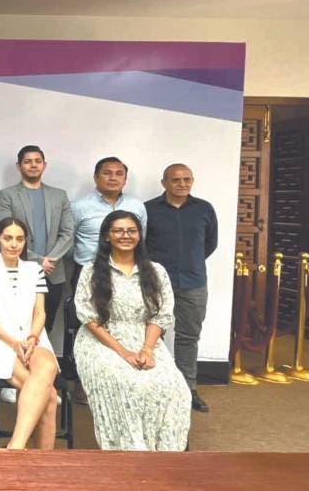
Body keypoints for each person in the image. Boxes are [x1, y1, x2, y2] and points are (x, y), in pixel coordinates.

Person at [73, 211, 191, 451]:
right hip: (101, 340)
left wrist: (147, 349)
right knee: (130, 384)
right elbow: (89, 318)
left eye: (131, 231)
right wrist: (124, 352)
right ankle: (131, 453)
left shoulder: (156, 271)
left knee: (175, 387)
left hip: (145, 338)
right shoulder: (91, 271)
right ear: (107, 236)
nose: (125, 235)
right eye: (118, 231)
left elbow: (161, 315)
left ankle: (165, 453)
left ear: (139, 235)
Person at [0, 217, 59, 450]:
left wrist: (32, 338)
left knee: (48, 366)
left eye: (19, 239)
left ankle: (16, 448)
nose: (14, 244)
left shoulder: (34, 270)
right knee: (49, 397)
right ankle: (28, 454)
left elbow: (40, 312)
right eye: (8, 238)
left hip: (32, 337)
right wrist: (12, 342)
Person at [68, 156, 147, 404]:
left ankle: (122, 374)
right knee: (87, 325)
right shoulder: (79, 207)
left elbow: (140, 240)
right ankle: (83, 381)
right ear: (96, 177)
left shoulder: (137, 206)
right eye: (107, 173)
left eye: (119, 173)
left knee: (124, 322)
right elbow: (68, 240)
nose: (113, 177)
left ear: (125, 178)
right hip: (89, 274)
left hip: (126, 273)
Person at [145, 164, 218, 413]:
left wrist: (190, 261)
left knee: (188, 337)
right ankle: (154, 386)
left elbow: (210, 243)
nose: (182, 184)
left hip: (193, 282)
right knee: (152, 336)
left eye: (187, 179)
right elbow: (140, 245)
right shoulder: (148, 210)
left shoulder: (204, 209)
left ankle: (188, 389)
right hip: (156, 283)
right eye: (176, 180)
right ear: (164, 182)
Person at [0, 146, 75, 333]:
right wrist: (38, 261)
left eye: (38, 161)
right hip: (17, 270)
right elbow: (4, 233)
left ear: (44, 165)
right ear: (19, 166)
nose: (33, 165)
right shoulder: (7, 195)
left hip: (52, 273)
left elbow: (68, 232)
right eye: (28, 162)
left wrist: (49, 260)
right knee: (15, 326)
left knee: (45, 327)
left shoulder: (59, 195)